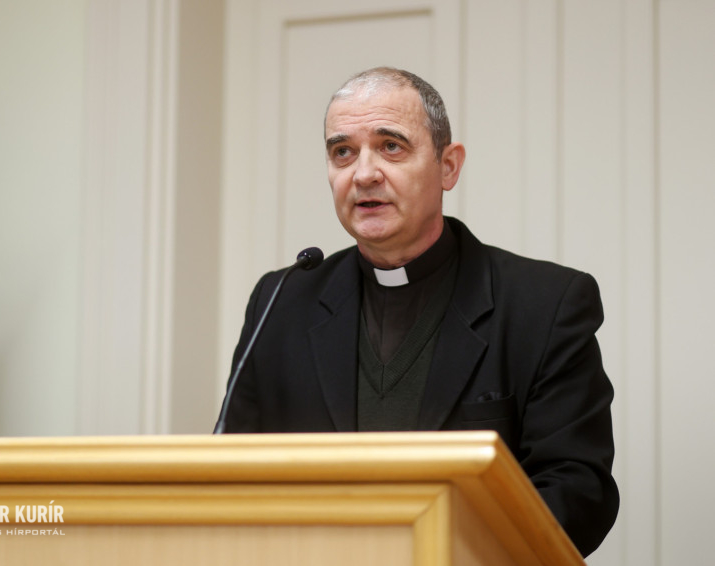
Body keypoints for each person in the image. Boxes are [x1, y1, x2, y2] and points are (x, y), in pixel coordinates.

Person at [217, 67, 619, 557]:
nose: (363, 174)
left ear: (448, 166)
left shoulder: (545, 303)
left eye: (391, 146)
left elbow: (578, 490)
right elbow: (231, 474)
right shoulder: (281, 301)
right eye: (342, 152)